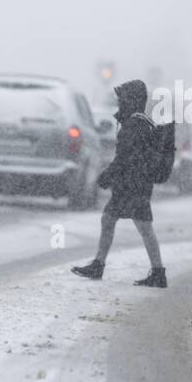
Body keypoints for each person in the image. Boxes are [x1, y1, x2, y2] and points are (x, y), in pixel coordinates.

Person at [71, 79, 166, 287]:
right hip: (137, 184)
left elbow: (124, 158)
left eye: (122, 99)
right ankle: (154, 271)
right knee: (117, 221)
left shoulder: (133, 126)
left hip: (131, 186)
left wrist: (107, 176)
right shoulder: (142, 123)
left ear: (132, 100)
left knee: (132, 225)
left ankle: (155, 272)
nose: (119, 103)